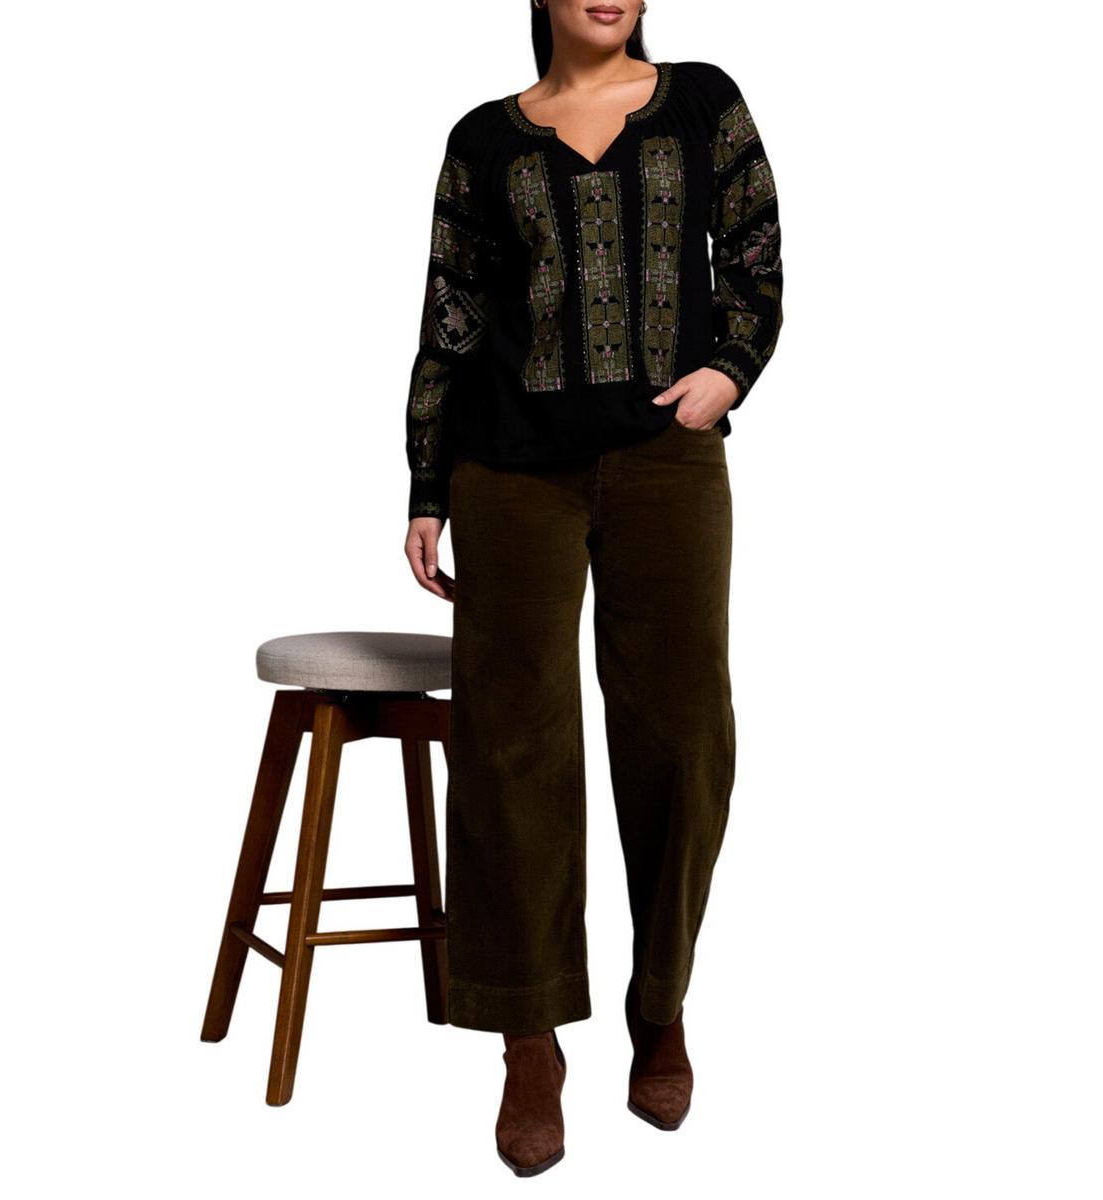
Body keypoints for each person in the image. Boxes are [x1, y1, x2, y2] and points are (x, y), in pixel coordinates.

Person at [401, 0, 782, 1177]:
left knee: (682, 731)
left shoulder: (703, 101)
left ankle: (659, 1004)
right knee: (511, 738)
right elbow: (451, 315)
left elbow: (756, 254)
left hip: (668, 457)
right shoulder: (484, 139)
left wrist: (729, 371)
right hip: (508, 469)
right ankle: (528, 1038)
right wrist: (426, 483)